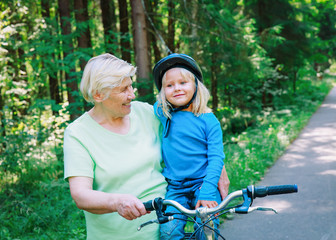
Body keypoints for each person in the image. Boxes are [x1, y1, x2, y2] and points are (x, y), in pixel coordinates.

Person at [64, 53, 230, 240]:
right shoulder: (78, 133)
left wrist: (216, 168)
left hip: (163, 229)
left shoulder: (145, 113)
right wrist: (116, 201)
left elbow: (190, 134)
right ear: (98, 95)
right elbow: (80, 194)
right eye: (124, 89)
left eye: (131, 86)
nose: (132, 94)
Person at [153, 53, 225, 240]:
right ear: (163, 91)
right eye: (169, 85)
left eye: (183, 83)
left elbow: (217, 157)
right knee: (169, 231)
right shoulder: (164, 114)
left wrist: (209, 190)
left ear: (196, 86)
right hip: (175, 188)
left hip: (204, 184)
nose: (176, 88)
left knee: (206, 228)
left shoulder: (209, 120)